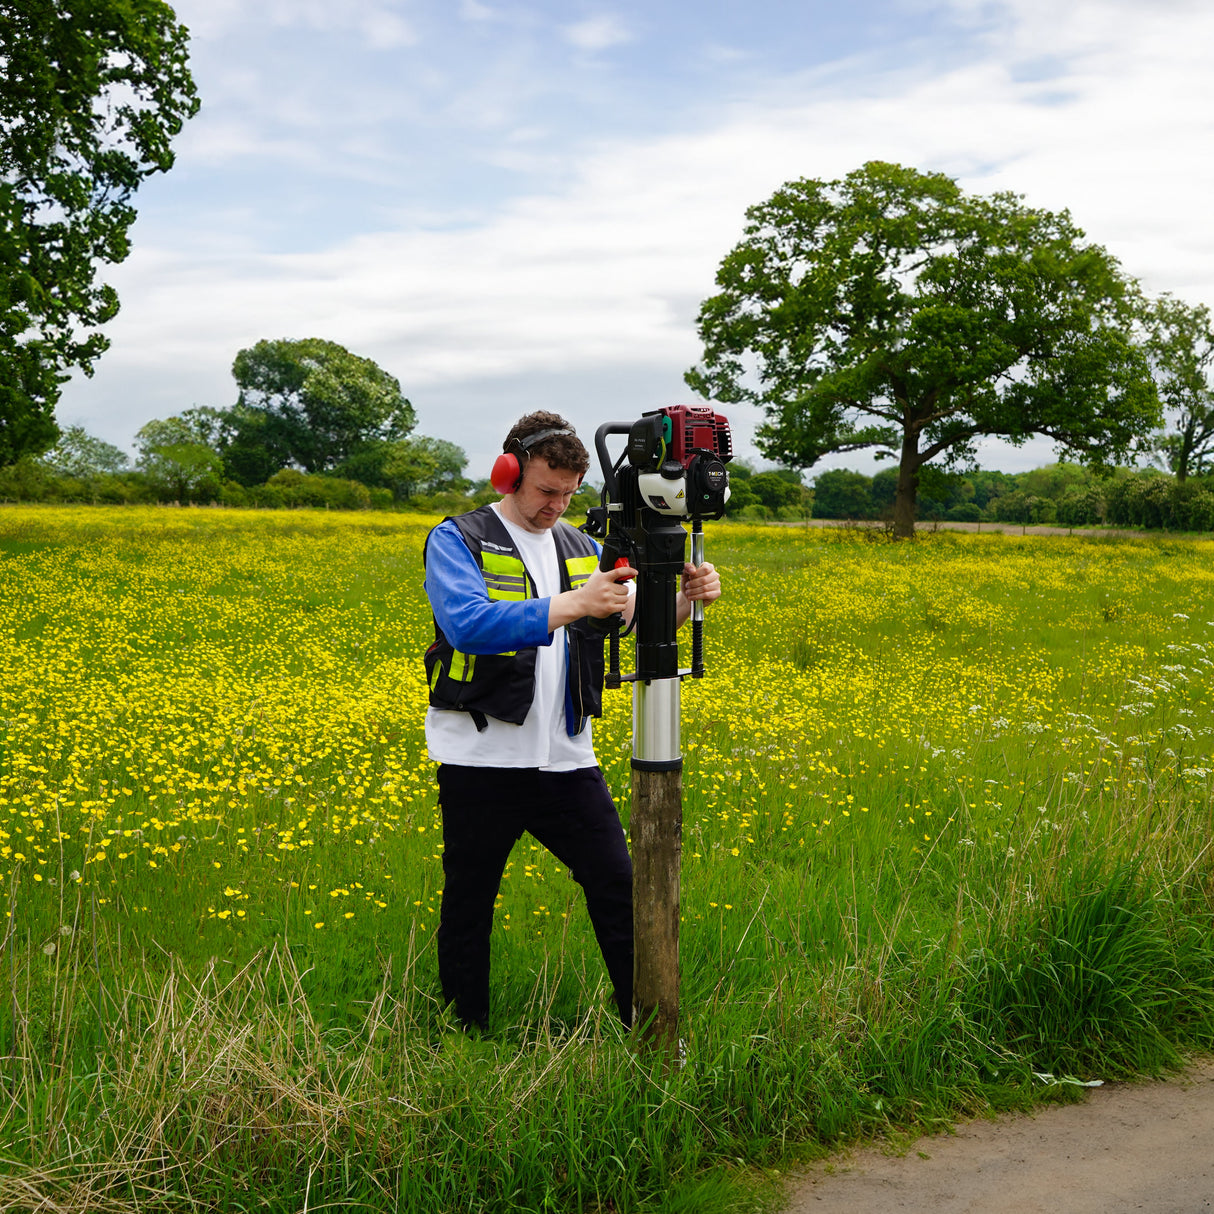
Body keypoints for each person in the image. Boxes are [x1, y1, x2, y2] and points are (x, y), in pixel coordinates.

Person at [423, 410, 721, 1031]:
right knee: (470, 904)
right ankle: (465, 1034)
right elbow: (467, 625)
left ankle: (646, 1027)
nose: (556, 505)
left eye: (568, 492)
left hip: (567, 760)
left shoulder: (582, 546)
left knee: (619, 888)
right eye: (544, 491)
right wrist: (574, 602)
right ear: (509, 475)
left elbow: (627, 621)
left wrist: (686, 600)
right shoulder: (457, 538)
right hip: (481, 761)